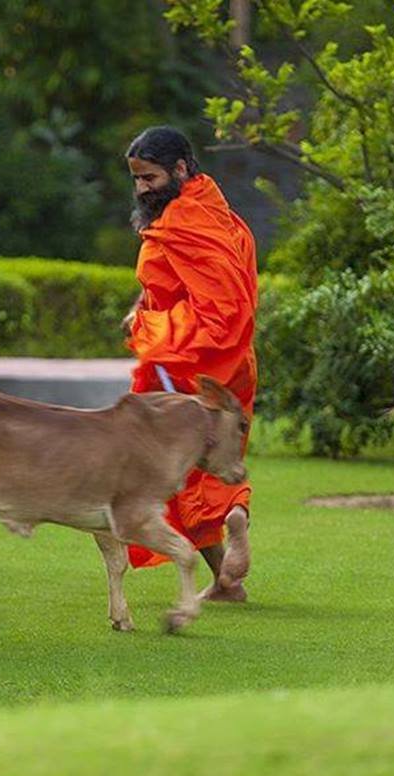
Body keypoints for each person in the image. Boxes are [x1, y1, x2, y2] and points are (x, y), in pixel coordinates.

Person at [123, 125, 257, 602]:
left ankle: (227, 537)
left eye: (151, 177)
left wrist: (147, 328)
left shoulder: (182, 222)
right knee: (215, 460)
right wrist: (144, 304)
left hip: (187, 360)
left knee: (176, 469)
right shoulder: (220, 214)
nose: (142, 188)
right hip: (233, 361)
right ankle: (228, 563)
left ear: (181, 169)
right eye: (137, 178)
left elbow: (217, 309)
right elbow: (177, 284)